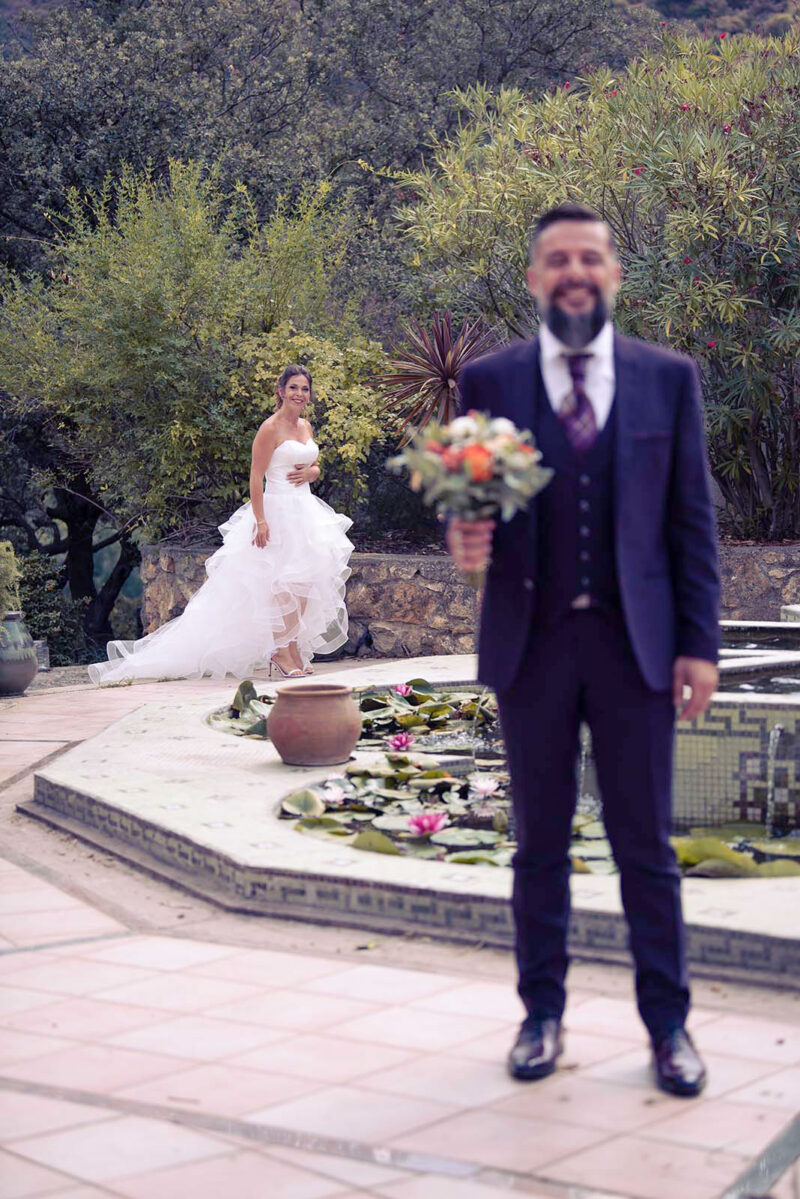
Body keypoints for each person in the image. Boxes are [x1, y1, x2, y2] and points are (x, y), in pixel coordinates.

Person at [447, 203, 720, 1098]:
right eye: (556, 258)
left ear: (613, 274)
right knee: (538, 845)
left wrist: (700, 646)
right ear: (533, 277)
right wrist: (464, 531)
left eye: (590, 258)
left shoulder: (667, 378)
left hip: (636, 651)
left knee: (645, 844)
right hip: (532, 649)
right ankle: (541, 1015)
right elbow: (469, 505)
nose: (574, 271)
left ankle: (669, 1028)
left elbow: (693, 524)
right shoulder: (488, 381)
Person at [89, 365, 353, 685]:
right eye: (294, 387)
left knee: (303, 584)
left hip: (306, 510)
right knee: (282, 584)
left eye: (305, 389)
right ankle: (280, 650)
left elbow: (313, 465)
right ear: (281, 391)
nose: (300, 394)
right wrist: (260, 520)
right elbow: (256, 476)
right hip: (278, 509)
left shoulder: (306, 425)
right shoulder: (269, 429)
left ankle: (293, 647)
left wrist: (313, 473)